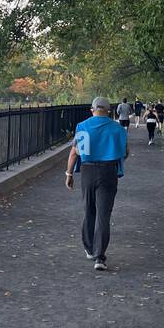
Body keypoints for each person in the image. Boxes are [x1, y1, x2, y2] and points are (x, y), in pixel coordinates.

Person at [64, 96, 129, 271]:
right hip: (108, 172)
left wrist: (69, 174)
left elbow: (75, 153)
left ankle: (89, 248)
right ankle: (100, 258)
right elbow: (125, 152)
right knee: (103, 215)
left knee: (89, 210)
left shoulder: (83, 126)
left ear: (92, 110)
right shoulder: (118, 129)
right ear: (109, 111)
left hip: (88, 170)